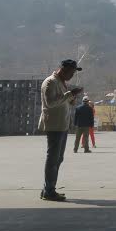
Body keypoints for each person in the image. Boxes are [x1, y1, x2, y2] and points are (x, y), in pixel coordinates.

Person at [38, 59, 83, 201]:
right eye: (71, 72)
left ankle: (48, 188)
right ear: (63, 70)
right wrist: (70, 94)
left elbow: (63, 101)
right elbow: (50, 103)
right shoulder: (50, 82)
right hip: (54, 125)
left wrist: (72, 97)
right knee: (53, 159)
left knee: (58, 158)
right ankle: (49, 191)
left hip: (61, 125)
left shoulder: (61, 83)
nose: (72, 75)